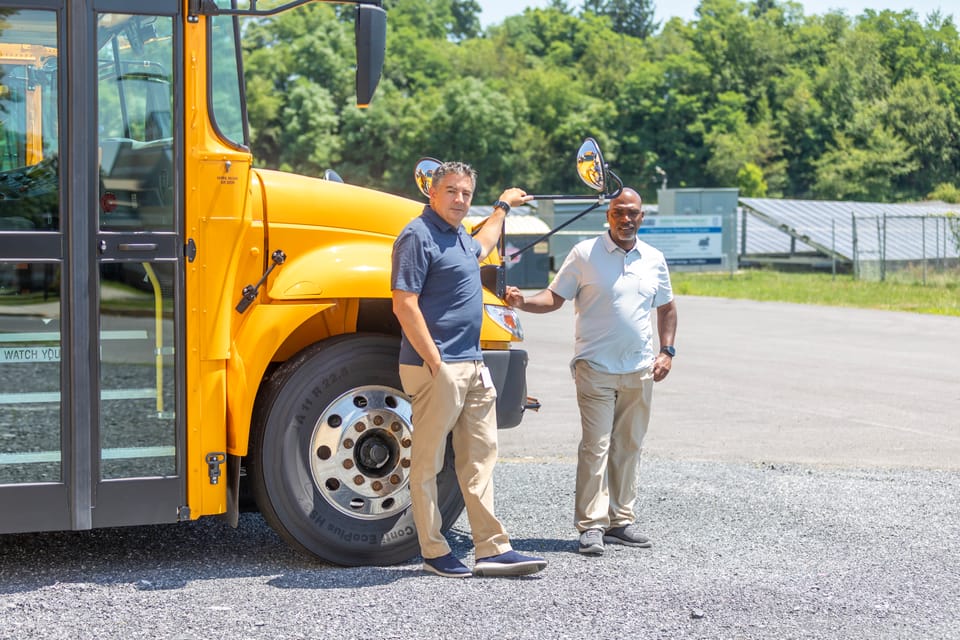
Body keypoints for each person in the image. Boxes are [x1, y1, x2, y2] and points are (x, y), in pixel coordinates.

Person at [391, 161, 547, 578]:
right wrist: (435, 362)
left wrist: (502, 206)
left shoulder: (460, 236)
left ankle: (492, 549)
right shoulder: (416, 236)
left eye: (465, 193)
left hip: (473, 364)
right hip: (437, 366)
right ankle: (433, 551)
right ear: (433, 193)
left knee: (480, 458)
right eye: (451, 191)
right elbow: (403, 304)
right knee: (427, 463)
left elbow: (487, 241)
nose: (459, 199)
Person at [504, 187, 678, 556]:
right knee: (596, 446)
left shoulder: (654, 259)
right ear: (609, 216)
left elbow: (666, 308)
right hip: (594, 367)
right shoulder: (585, 254)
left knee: (629, 446)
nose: (626, 219)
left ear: (642, 217)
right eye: (619, 212)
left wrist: (667, 351)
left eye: (632, 213)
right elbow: (554, 297)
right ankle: (591, 526)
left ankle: (620, 521)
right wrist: (523, 301)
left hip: (639, 369)